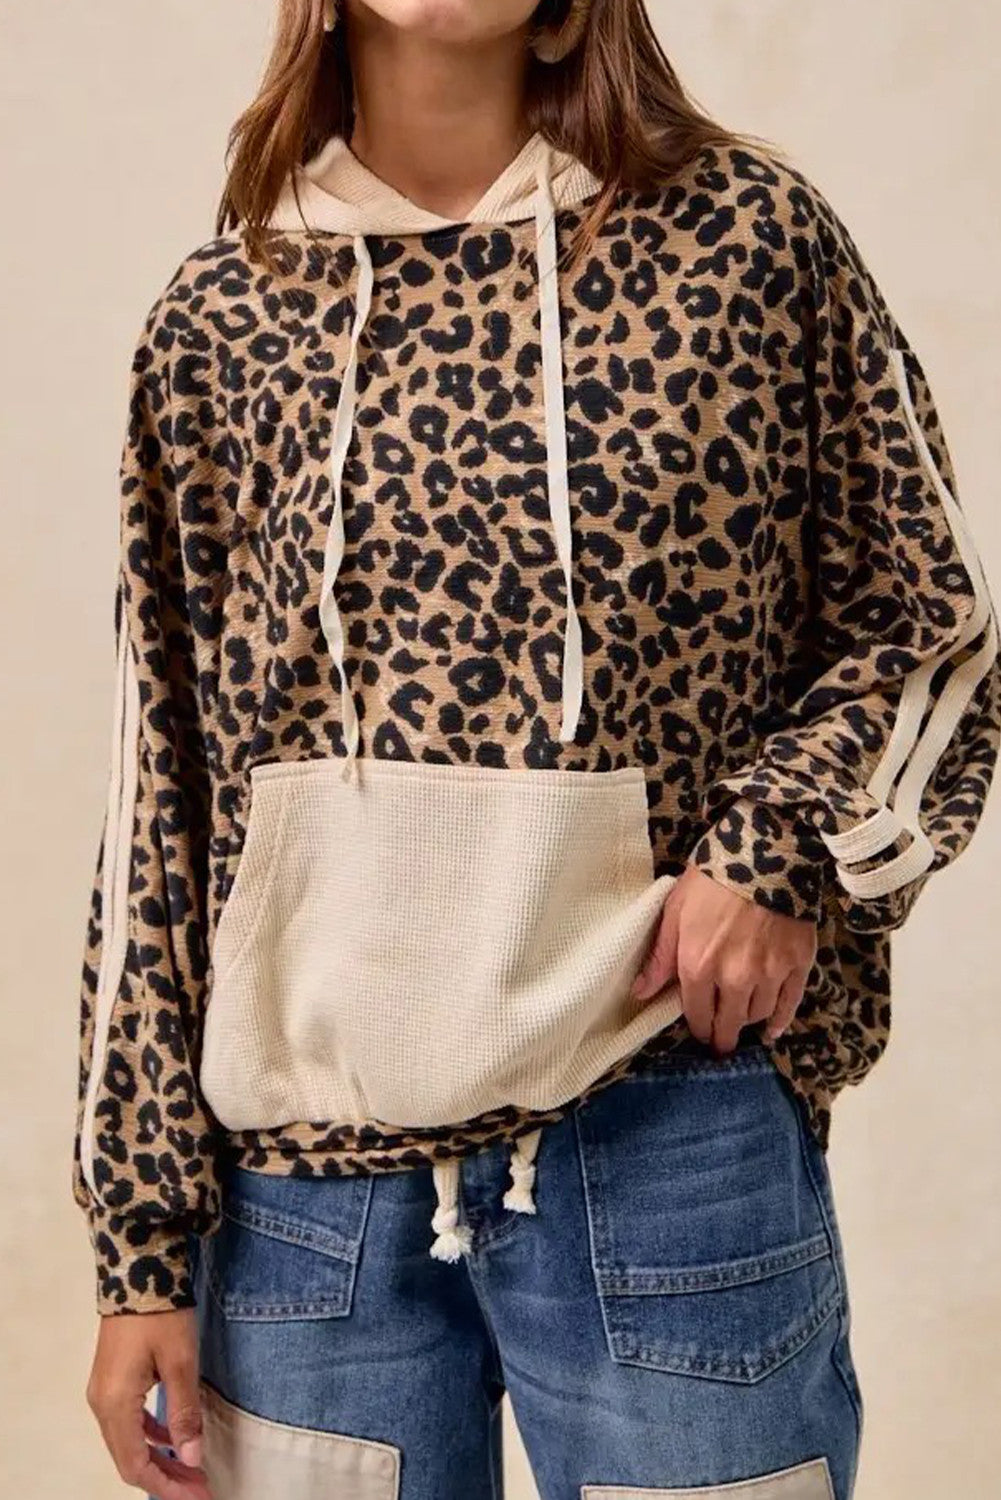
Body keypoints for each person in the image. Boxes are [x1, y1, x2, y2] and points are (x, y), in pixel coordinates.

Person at [74, 2, 1001, 1498]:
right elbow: (157, 801)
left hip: (663, 1126)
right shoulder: (220, 318)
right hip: (307, 1195)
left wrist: (779, 850)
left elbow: (927, 617)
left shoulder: (744, 243)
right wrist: (139, 1249)